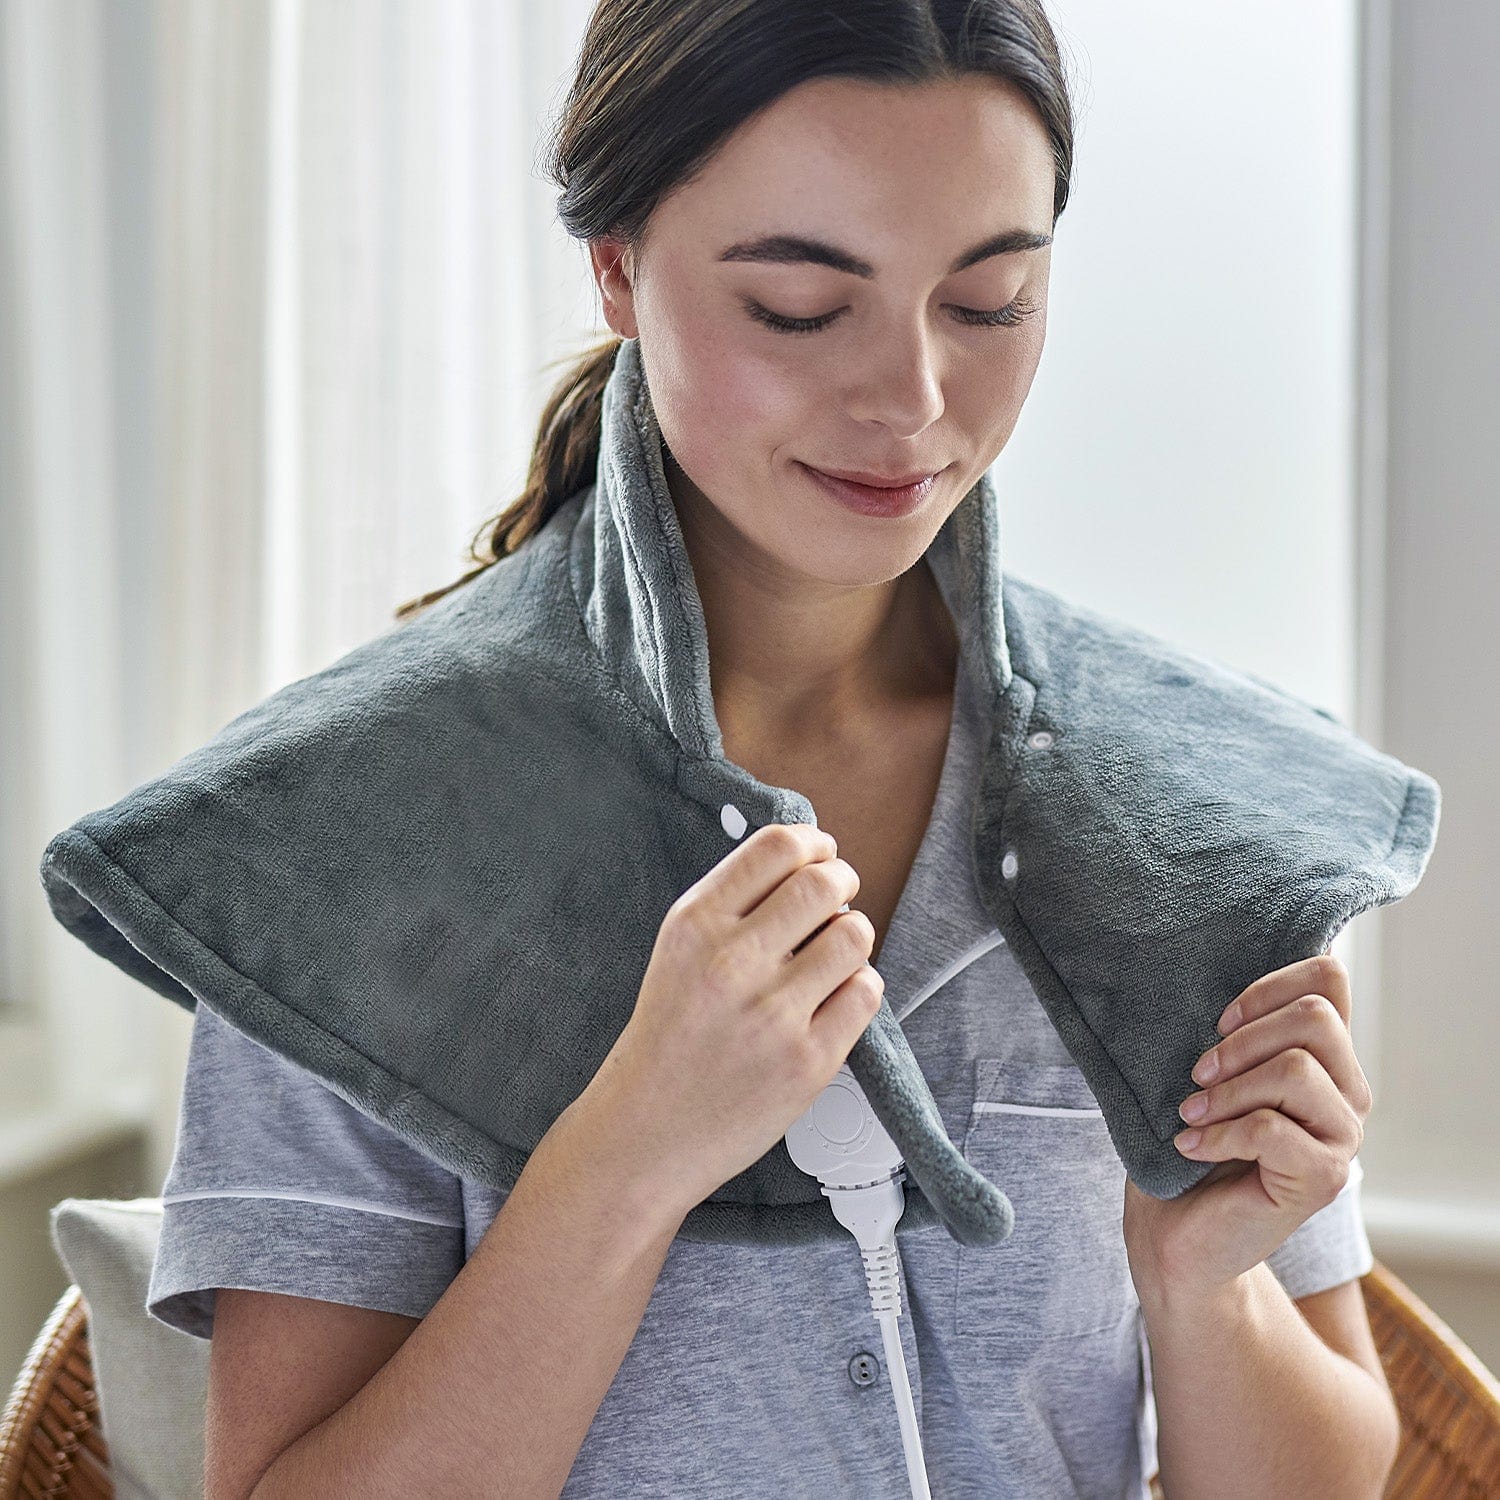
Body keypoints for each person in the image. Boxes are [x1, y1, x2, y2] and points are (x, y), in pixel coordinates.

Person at [146, 3, 1382, 1496]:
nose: (913, 400)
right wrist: (630, 1159)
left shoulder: (1182, 809)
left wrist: (1209, 1284)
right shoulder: (347, 842)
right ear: (616, 267)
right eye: (802, 305)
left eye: (989, 302)